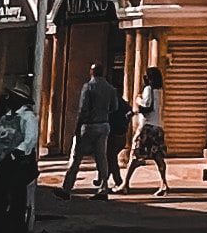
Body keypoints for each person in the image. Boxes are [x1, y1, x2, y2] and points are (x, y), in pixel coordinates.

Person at [0, 85, 38, 233]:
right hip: (1, 162)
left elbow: (30, 140)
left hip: (18, 163)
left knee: (16, 201)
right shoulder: (6, 117)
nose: (7, 99)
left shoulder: (28, 117)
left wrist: (16, 153)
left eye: (11, 96)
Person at [61, 62, 123, 198]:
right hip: (104, 125)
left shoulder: (88, 87)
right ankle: (104, 188)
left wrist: (77, 128)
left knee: (76, 157)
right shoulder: (110, 89)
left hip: (89, 125)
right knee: (102, 157)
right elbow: (115, 107)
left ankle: (67, 188)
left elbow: (83, 110)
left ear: (91, 72)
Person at [122, 62, 167, 192]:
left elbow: (146, 106)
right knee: (158, 157)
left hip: (148, 127)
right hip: (158, 127)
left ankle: (125, 184)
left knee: (135, 154)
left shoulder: (148, 90)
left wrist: (137, 99)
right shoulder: (160, 91)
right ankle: (163, 184)